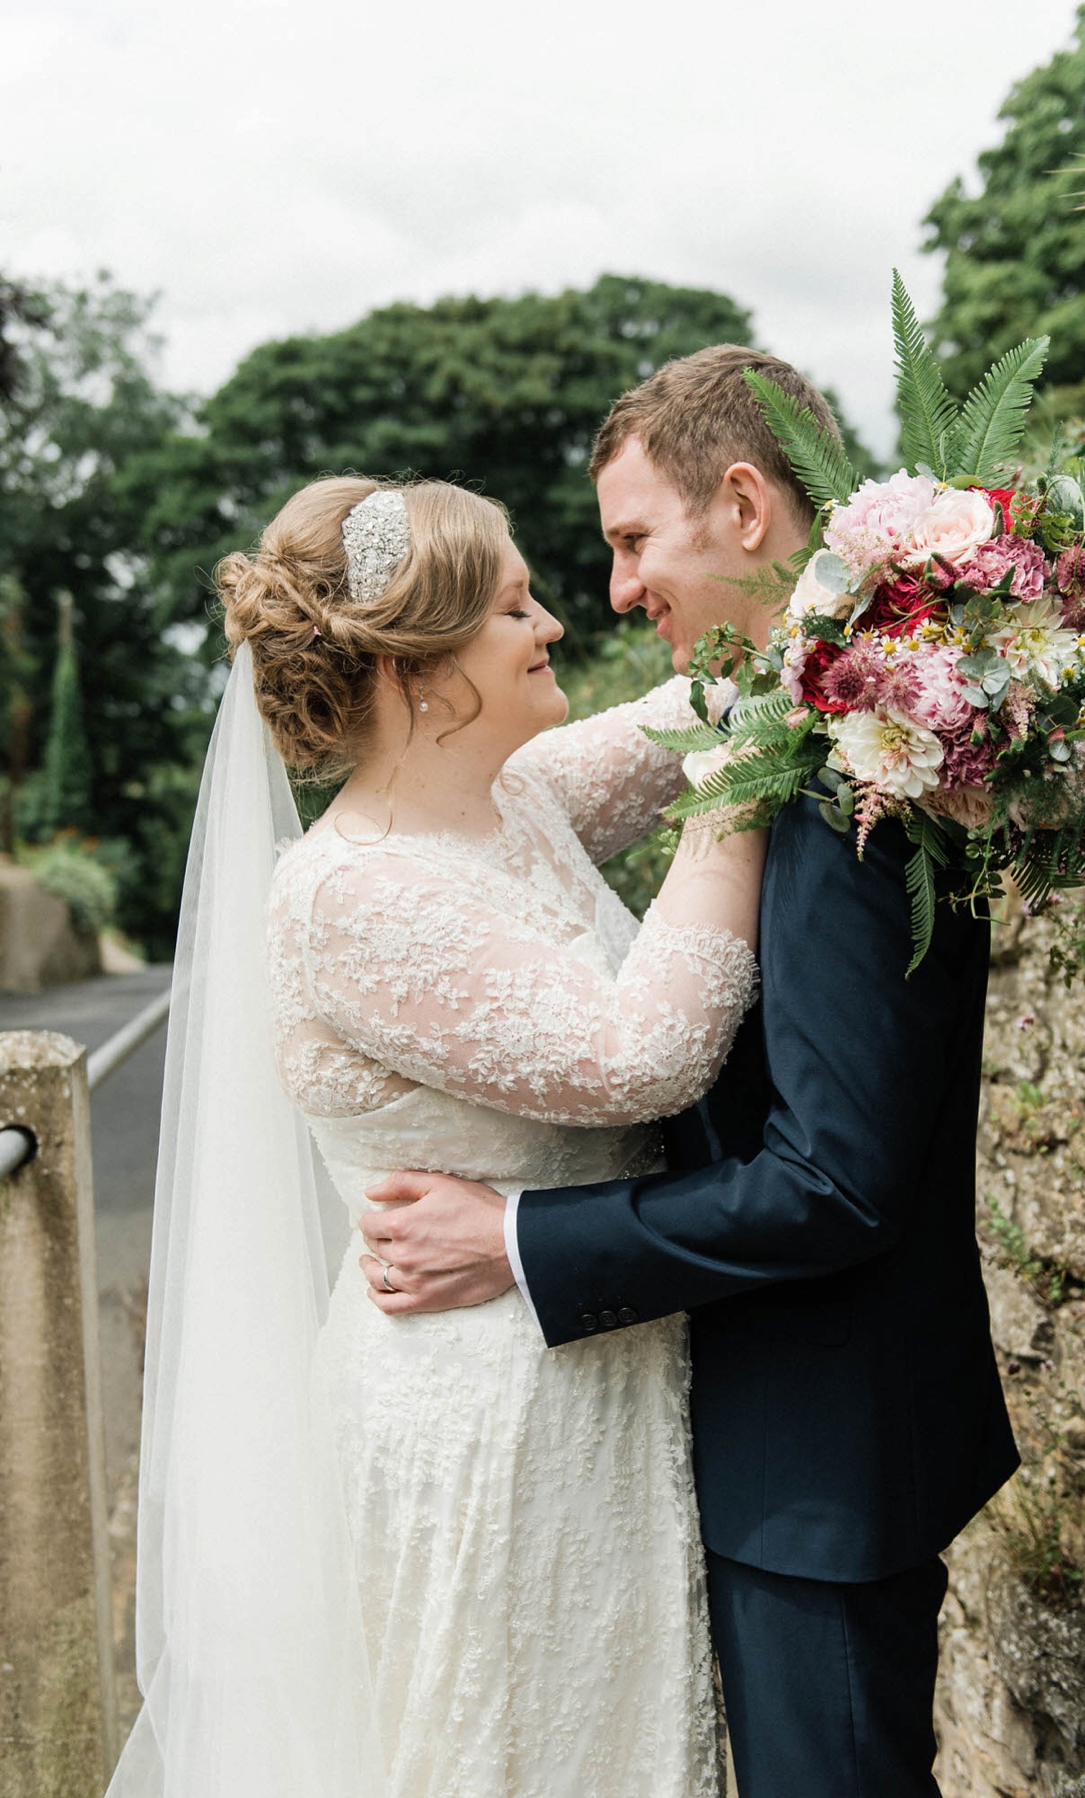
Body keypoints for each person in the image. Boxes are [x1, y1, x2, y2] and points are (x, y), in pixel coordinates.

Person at [361, 347, 1021, 1798]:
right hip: (778, 1428)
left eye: (629, 541)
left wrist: (521, 1239)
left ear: (741, 505)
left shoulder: (858, 764)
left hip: (821, 1459)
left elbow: (834, 1178)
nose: (610, 592)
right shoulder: (791, 718)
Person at [109, 471, 768, 1798]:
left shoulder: (511, 797)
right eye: (517, 605)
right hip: (483, 1416)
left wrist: (835, 629)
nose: (555, 625)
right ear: (423, 671)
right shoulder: (351, 896)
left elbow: (694, 709)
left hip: (587, 1375)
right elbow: (639, 1052)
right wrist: (748, 792)